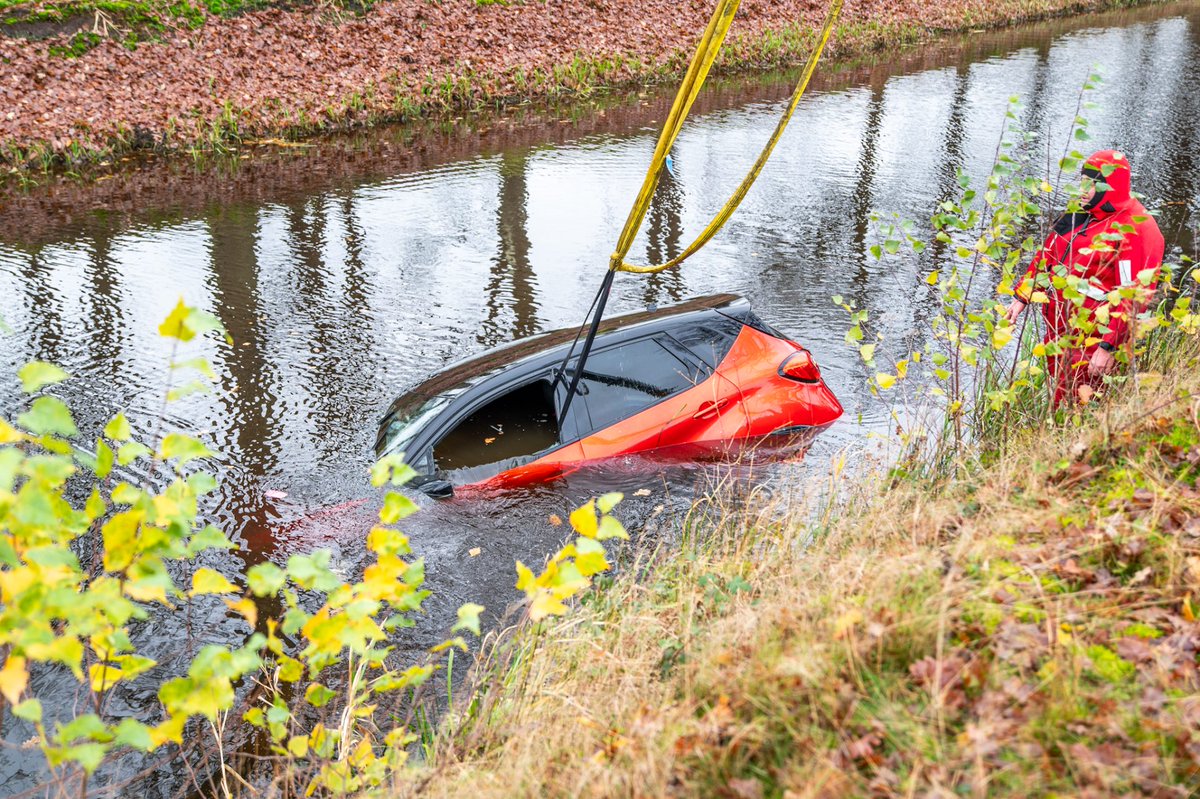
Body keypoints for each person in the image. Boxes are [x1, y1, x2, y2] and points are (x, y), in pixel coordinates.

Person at [1006, 149, 1165, 405]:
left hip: (1092, 337)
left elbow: (1132, 296)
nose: (1082, 189)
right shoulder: (1081, 212)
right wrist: (1022, 296)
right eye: (1081, 182)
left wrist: (1108, 347)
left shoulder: (1136, 228)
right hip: (1059, 327)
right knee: (1058, 396)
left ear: (1109, 186)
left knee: (1079, 405)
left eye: (1090, 184)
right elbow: (1048, 254)